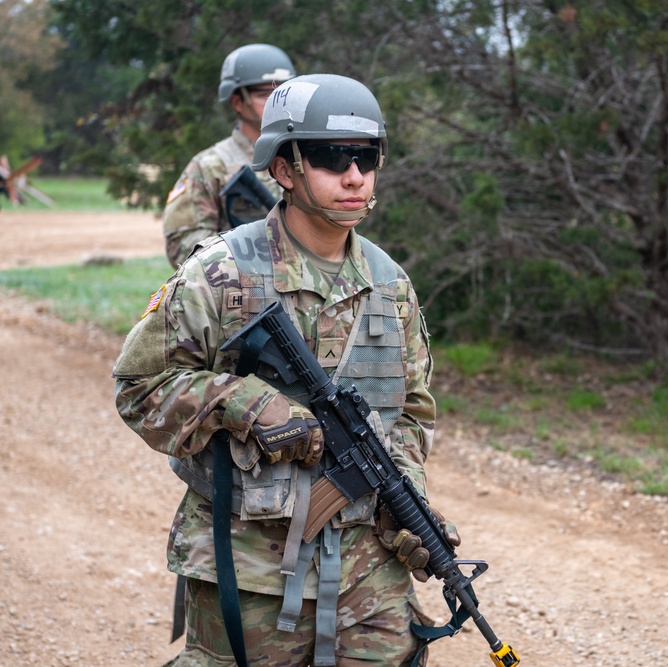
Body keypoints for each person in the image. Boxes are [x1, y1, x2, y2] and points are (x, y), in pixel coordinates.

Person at [114, 73, 455, 666]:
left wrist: (406, 501)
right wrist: (244, 402)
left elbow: (410, 415)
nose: (354, 176)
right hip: (251, 569)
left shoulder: (390, 285)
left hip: (371, 572)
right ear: (284, 169)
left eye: (366, 157)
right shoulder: (220, 274)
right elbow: (140, 388)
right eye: (330, 157)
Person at [161, 43, 296, 269]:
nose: (278, 102)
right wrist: (252, 255)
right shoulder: (211, 166)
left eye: (284, 93)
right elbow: (181, 244)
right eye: (265, 94)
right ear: (237, 102)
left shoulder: (309, 157)